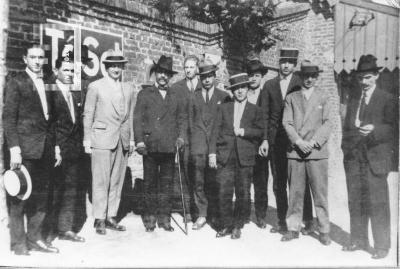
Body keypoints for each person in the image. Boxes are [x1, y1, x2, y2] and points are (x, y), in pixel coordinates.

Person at [3, 44, 60, 255]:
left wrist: (55, 148)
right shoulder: (17, 82)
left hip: (45, 149)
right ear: (25, 59)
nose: (37, 61)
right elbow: (9, 118)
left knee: (43, 196)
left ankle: (35, 237)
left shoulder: (47, 83)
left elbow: (51, 120)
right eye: (33, 57)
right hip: (24, 150)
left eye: (41, 58)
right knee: (19, 197)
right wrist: (14, 149)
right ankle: (19, 244)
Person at [341, 55, 396, 259]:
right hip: (355, 159)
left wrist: (375, 129)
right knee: (356, 201)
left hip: (375, 159)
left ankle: (382, 246)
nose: (364, 82)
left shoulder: (386, 98)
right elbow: (347, 128)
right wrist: (346, 152)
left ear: (376, 76)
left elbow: (393, 129)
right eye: (361, 78)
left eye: (368, 77)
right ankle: (358, 240)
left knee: (378, 202)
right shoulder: (354, 99)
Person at [259, 48, 314, 234]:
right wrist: (265, 139)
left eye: (290, 62)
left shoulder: (301, 83)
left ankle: (307, 219)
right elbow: (264, 115)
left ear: (294, 64)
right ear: (279, 63)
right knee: (279, 182)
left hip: (296, 140)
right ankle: (282, 221)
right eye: (283, 62)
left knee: (299, 181)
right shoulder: (269, 85)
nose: (286, 65)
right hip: (276, 141)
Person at [281, 60, 333, 245]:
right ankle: (293, 227)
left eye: (312, 76)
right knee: (295, 192)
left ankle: (324, 229)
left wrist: (313, 142)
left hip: (316, 152)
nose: (309, 79)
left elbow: (328, 123)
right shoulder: (291, 98)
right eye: (305, 76)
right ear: (300, 77)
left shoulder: (324, 97)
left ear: (316, 77)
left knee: (320, 193)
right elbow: (287, 123)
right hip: (296, 152)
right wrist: (298, 141)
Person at [133, 55, 187, 232]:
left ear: (170, 76)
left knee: (166, 184)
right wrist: (139, 141)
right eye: (160, 72)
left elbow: (182, 119)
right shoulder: (145, 93)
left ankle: (165, 219)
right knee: (149, 184)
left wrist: (180, 138)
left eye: (167, 74)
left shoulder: (175, 95)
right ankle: (149, 219)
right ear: (155, 74)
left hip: (169, 148)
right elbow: (137, 119)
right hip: (150, 147)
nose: (163, 76)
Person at [83, 49, 134, 235]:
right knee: (100, 180)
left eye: (119, 65)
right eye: (112, 65)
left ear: (122, 67)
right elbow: (88, 114)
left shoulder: (128, 88)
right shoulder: (95, 86)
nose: (115, 69)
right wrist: (87, 139)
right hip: (102, 139)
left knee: (116, 181)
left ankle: (111, 216)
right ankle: (99, 218)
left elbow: (130, 117)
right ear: (106, 67)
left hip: (122, 139)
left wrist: (132, 139)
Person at [209, 73, 263, 239]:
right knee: (224, 191)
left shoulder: (255, 110)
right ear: (232, 91)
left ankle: (237, 225)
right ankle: (225, 224)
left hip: (244, 158)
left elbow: (260, 131)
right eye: (236, 89)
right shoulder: (224, 108)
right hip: (225, 156)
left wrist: (244, 131)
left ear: (247, 89)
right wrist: (212, 153)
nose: (240, 91)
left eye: (243, 87)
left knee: (243, 193)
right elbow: (214, 132)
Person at [46, 53, 85, 242]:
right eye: (66, 70)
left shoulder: (74, 93)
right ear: (56, 71)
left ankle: (65, 229)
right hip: (57, 151)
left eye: (72, 71)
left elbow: (77, 123)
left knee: (71, 190)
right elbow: (49, 123)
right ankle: (49, 230)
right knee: (55, 190)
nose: (69, 74)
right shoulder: (50, 92)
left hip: (74, 151)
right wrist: (54, 147)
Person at [188, 60, 229, 230]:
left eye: (209, 76)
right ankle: (202, 214)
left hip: (216, 148)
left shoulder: (223, 97)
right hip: (198, 146)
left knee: (215, 181)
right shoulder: (194, 96)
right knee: (198, 181)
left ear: (214, 76)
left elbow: (226, 124)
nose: (206, 80)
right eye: (203, 77)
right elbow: (190, 122)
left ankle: (214, 214)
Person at [171, 55, 202, 222]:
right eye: (186, 67)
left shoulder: (203, 87)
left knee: (199, 174)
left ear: (197, 68)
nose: (189, 70)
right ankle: (188, 210)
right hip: (184, 139)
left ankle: (200, 209)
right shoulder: (177, 88)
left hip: (200, 140)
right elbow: (175, 114)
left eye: (191, 67)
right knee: (185, 174)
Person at [244, 59, 269, 228]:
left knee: (260, 182)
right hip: (245, 144)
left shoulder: (266, 94)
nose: (253, 79)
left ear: (261, 77)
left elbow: (268, 120)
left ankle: (260, 216)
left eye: (257, 76)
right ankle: (244, 214)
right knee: (244, 182)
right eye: (250, 76)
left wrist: (265, 140)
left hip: (260, 144)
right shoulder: (242, 93)